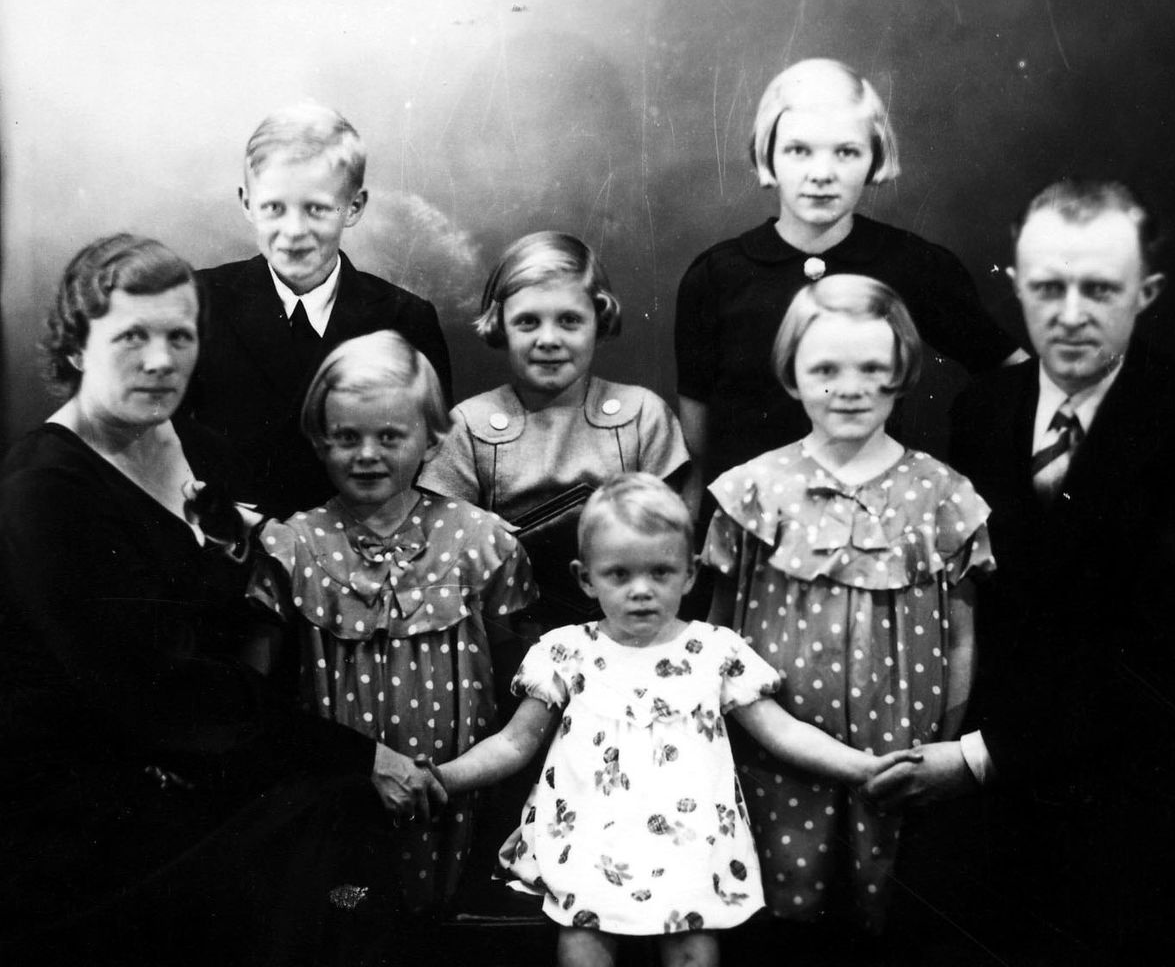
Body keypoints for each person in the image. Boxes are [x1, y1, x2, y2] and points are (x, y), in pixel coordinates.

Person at [0, 235, 446, 967]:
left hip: (201, 756)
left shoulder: (200, 449)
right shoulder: (44, 488)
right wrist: (355, 752)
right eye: (131, 337)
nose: (160, 360)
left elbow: (247, 606)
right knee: (330, 816)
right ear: (76, 347)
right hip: (92, 811)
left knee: (345, 830)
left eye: (180, 336)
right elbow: (158, 692)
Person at [866, 179, 1175, 961]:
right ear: (1018, 287)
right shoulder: (984, 410)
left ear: (1145, 293)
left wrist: (982, 758)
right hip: (999, 799)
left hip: (1145, 796)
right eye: (1048, 288)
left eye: (1101, 289)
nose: (1071, 313)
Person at [427, 473, 920, 967]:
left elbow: (783, 731)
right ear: (586, 578)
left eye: (661, 572)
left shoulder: (714, 650)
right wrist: (442, 778)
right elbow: (514, 743)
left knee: (692, 950)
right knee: (583, 948)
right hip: (590, 840)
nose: (641, 590)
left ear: (689, 574)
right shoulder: (566, 652)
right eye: (619, 574)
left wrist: (863, 767)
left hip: (690, 843)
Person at [700, 275, 993, 944]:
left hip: (901, 765)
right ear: (792, 375)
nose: (850, 387)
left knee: (885, 932)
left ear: (902, 371)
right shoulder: (753, 490)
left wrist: (937, 749)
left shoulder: (942, 494)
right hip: (772, 758)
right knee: (780, 937)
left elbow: (962, 637)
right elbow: (718, 637)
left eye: (871, 368)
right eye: (826, 369)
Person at [247, 331, 535, 912]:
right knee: (347, 916)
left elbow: (519, 687)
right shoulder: (290, 548)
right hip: (337, 805)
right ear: (319, 440)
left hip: (463, 798)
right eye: (346, 437)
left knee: (449, 928)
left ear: (432, 438)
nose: (367, 454)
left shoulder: (481, 542)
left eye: (390, 436)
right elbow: (255, 700)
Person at [676, 57, 1020, 522]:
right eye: (799, 150)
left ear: (874, 157)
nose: (822, 173)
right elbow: (699, 443)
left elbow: (1013, 375)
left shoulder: (912, 264)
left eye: (846, 152)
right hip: (750, 528)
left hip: (873, 528)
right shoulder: (717, 276)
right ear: (768, 154)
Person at [184, 101, 452, 519]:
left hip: (361, 545)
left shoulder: (405, 319)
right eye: (274, 207)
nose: (294, 232)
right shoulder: (197, 302)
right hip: (225, 543)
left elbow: (427, 459)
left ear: (354, 207)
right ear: (247, 203)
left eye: (317, 209)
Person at [419, 230, 688, 631]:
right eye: (528, 322)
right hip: (506, 636)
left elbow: (670, 540)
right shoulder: (470, 425)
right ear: (501, 325)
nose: (548, 339)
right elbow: (442, 541)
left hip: (626, 634)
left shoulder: (641, 415)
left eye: (569, 321)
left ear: (598, 320)